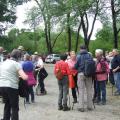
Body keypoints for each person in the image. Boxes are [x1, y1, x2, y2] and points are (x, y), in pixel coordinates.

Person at [0, 49, 28, 120]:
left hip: (2, 86)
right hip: (11, 87)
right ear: (18, 57)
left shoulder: (3, 63)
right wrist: (27, 76)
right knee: (14, 107)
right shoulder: (16, 64)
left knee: (7, 105)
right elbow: (24, 77)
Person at [74, 45, 94, 112]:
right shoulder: (90, 55)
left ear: (80, 49)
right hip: (89, 74)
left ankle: (81, 107)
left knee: (81, 90)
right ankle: (90, 106)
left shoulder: (79, 56)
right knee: (89, 90)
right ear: (86, 49)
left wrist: (75, 67)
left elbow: (76, 66)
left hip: (81, 74)